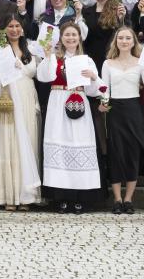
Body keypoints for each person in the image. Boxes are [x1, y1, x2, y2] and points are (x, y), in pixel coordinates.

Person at [36, 21, 103, 213]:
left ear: (79, 37)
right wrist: (47, 56)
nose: (71, 38)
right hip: (58, 103)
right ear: (61, 39)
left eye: (74, 35)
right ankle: (61, 198)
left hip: (79, 102)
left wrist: (93, 77)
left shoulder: (87, 60)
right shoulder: (55, 58)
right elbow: (44, 77)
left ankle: (80, 197)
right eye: (67, 35)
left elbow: (96, 90)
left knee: (78, 145)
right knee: (60, 146)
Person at [0, 15, 44, 210]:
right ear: (4, 30)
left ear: (22, 29)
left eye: (17, 26)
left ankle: (25, 196)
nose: (14, 29)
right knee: (7, 143)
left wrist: (21, 66)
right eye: (10, 26)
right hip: (6, 98)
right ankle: (7, 195)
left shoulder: (31, 49)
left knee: (27, 142)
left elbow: (35, 73)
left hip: (25, 95)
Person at [100, 26, 144, 214]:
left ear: (134, 41)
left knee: (133, 152)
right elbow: (105, 89)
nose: (124, 41)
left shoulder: (141, 63)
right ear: (116, 41)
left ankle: (128, 199)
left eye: (128, 38)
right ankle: (117, 199)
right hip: (115, 111)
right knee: (116, 153)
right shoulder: (107, 63)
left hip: (134, 110)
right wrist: (103, 103)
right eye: (121, 38)